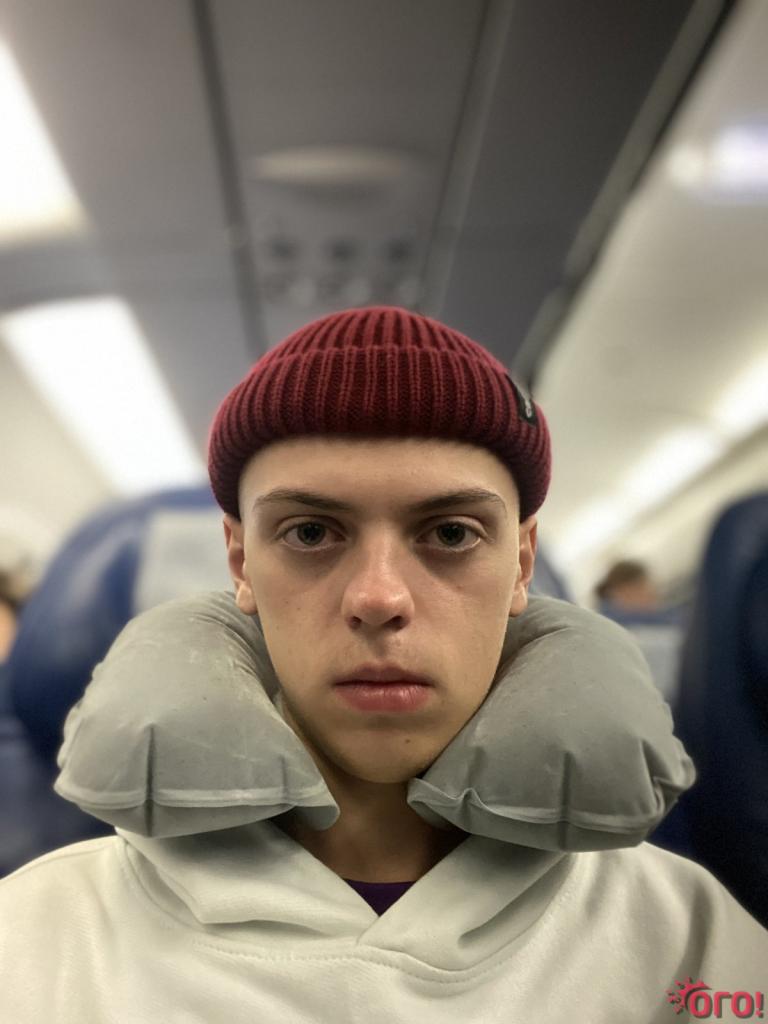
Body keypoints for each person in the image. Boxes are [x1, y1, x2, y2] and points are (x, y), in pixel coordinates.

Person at [0, 306, 765, 1023]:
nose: (378, 597)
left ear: (522, 562)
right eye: (309, 533)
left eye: (452, 533)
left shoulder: (685, 942)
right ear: (239, 561)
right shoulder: (39, 938)